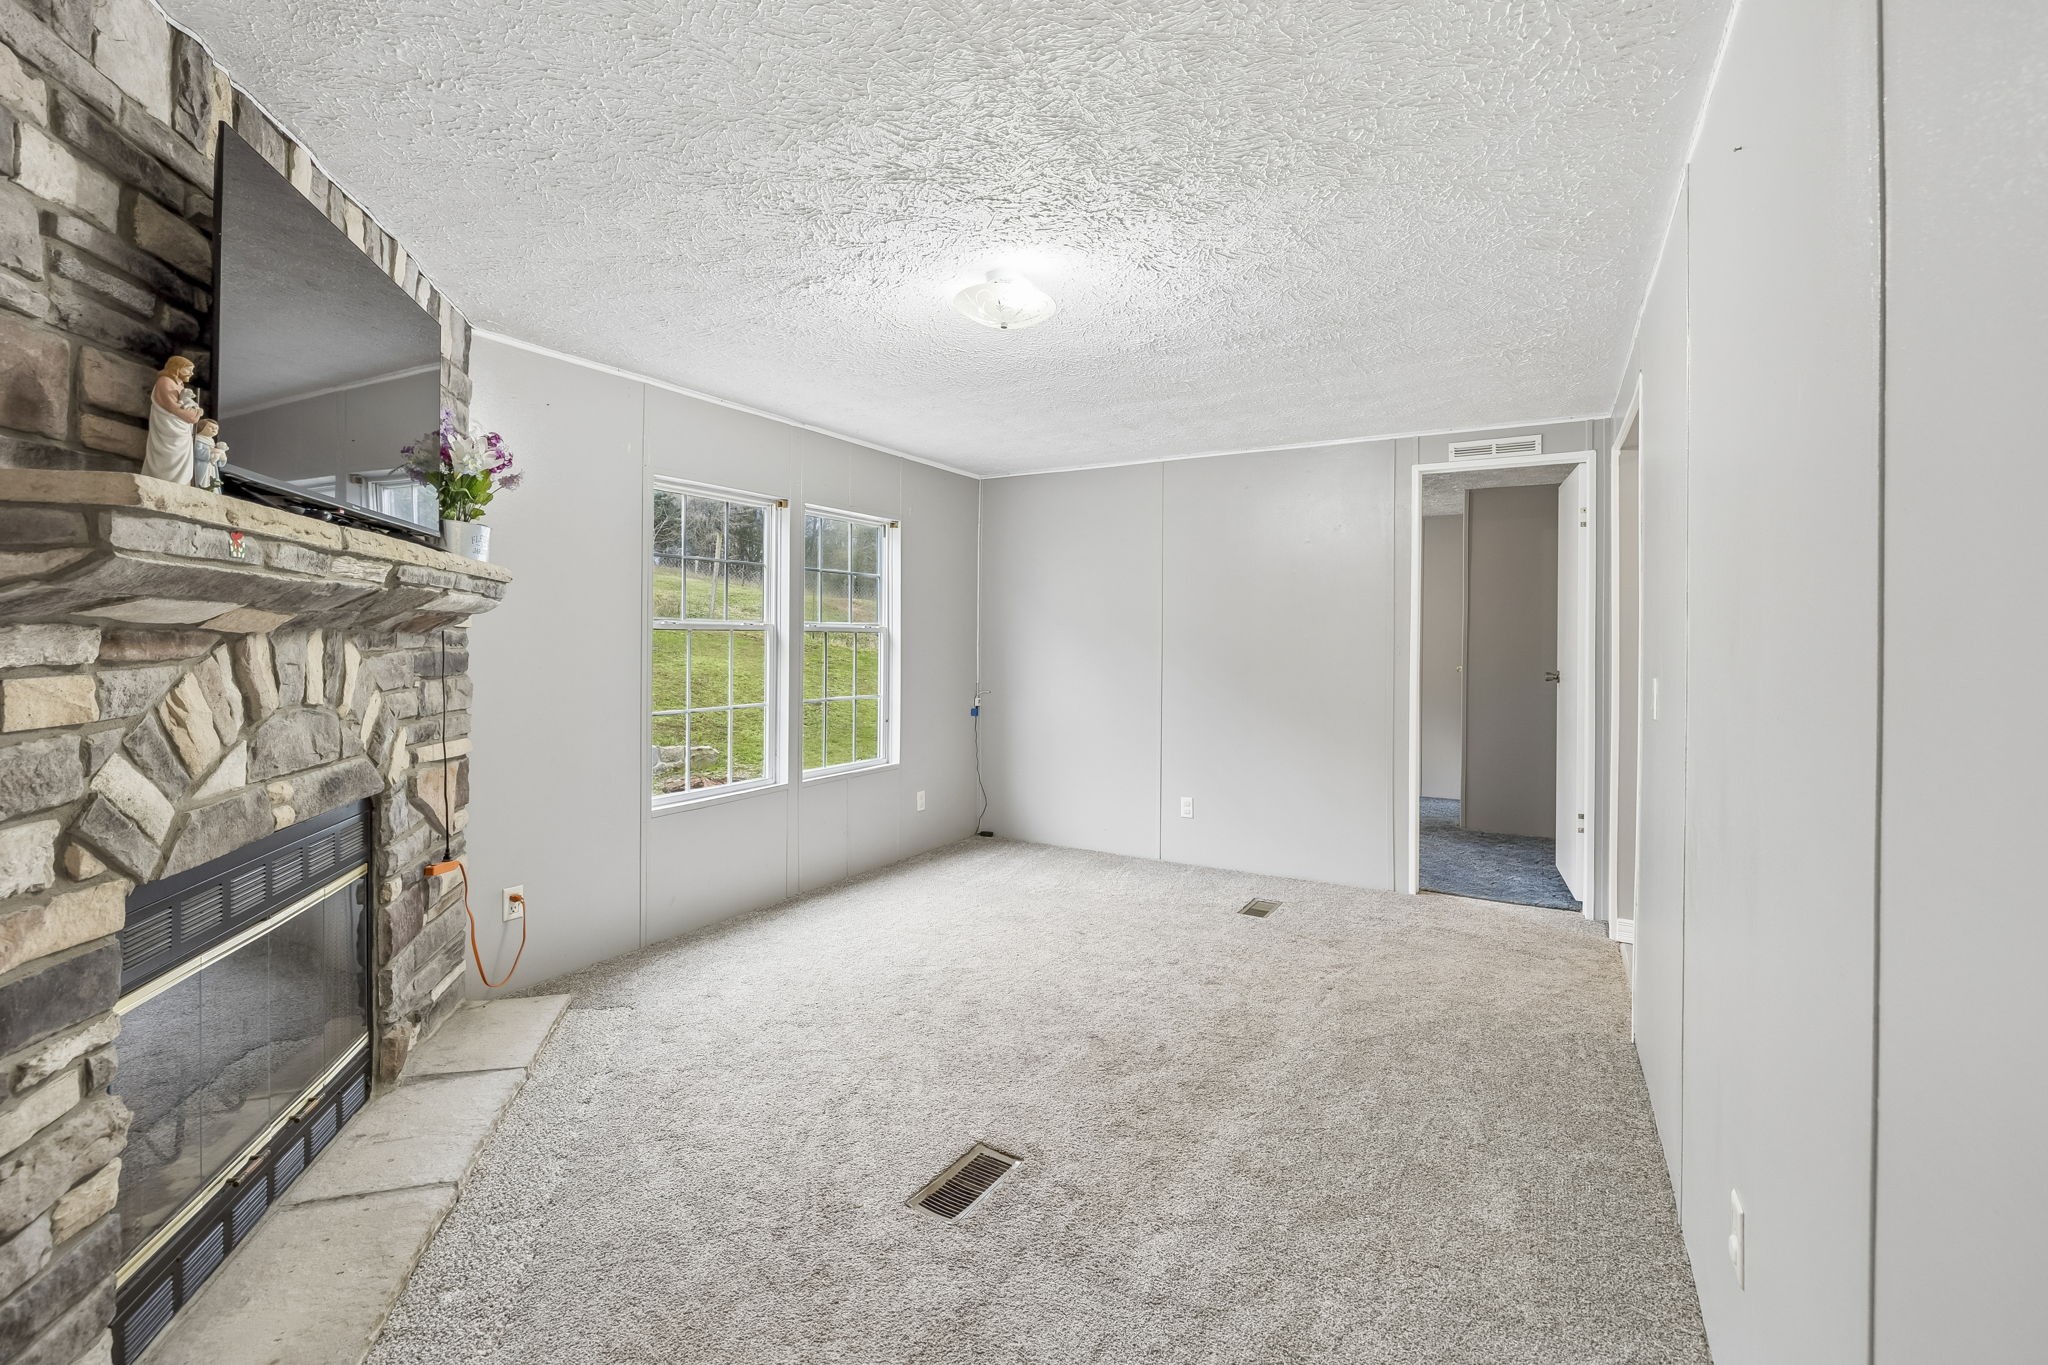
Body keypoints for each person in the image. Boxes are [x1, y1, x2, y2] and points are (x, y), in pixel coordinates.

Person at [143, 355, 203, 483]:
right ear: (177, 368)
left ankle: (179, 482)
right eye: (188, 370)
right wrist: (193, 415)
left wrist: (194, 411)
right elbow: (173, 407)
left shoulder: (179, 384)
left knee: (181, 454)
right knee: (169, 454)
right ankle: (164, 480)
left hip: (182, 428)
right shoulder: (165, 381)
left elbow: (183, 405)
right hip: (169, 427)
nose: (191, 373)